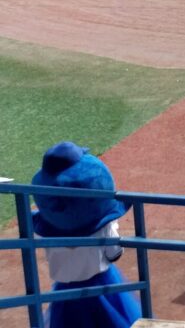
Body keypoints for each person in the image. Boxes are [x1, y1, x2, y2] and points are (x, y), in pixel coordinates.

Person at [31, 141, 141, 328]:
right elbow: (114, 253)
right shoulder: (103, 225)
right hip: (102, 287)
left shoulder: (47, 228)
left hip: (65, 293)